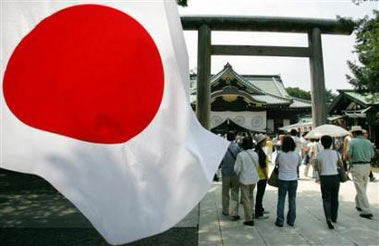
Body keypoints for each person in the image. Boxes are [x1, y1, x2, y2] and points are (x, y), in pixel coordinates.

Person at [347, 126, 375, 219]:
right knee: (363, 186)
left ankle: (366, 210)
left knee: (360, 187)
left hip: (357, 165)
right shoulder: (368, 142)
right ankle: (358, 204)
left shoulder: (352, 141)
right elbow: (372, 155)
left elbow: (348, 154)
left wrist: (350, 162)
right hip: (367, 165)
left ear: (354, 133)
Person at [315, 135, 342, 230]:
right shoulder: (336, 153)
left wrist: (318, 177)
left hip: (325, 177)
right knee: (335, 197)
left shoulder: (319, 154)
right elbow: (340, 165)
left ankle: (328, 218)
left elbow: (317, 167)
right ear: (331, 143)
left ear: (322, 143)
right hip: (335, 177)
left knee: (326, 198)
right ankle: (334, 216)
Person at [275, 136, 301, 227]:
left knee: (281, 199)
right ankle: (291, 220)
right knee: (292, 199)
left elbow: (277, 163)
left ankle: (280, 220)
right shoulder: (296, 154)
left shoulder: (280, 154)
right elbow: (299, 164)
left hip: (282, 178)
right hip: (293, 179)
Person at [234, 136, 260, 226]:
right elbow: (257, 166)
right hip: (254, 179)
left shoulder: (241, 155)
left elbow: (237, 169)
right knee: (251, 196)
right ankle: (251, 213)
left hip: (244, 179)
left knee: (245, 199)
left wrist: (237, 174)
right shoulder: (255, 154)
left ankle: (249, 219)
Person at [220, 131, 242, 220]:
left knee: (225, 192)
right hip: (235, 173)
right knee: (235, 193)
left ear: (227, 137)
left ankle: (225, 210)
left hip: (225, 172)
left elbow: (220, 160)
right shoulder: (238, 147)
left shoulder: (222, 147)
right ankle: (234, 212)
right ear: (234, 138)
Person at [254, 134, 269, 219]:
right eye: (264, 141)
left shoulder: (257, 150)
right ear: (261, 142)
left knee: (260, 193)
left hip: (258, 174)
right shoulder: (261, 152)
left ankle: (260, 209)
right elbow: (263, 165)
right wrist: (267, 176)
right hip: (261, 176)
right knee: (260, 194)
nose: (266, 142)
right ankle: (258, 212)